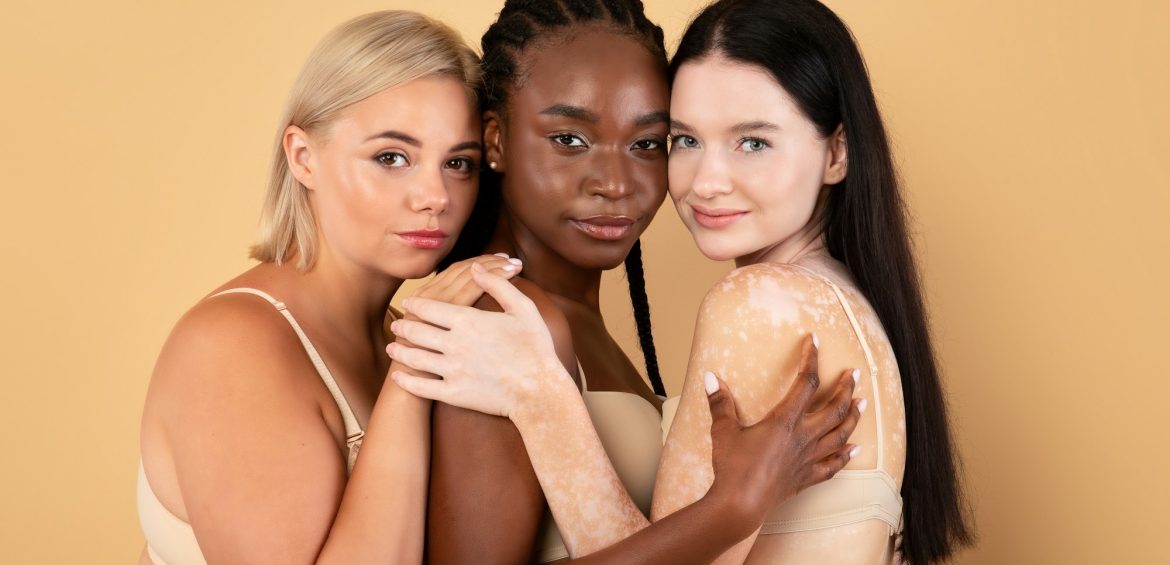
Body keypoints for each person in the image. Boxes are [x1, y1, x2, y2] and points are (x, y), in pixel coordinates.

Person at [389, 0, 972, 563]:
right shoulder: (499, 320)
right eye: (687, 141)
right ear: (495, 139)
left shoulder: (760, 304)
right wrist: (735, 506)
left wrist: (547, 405)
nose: (708, 180)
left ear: (837, 153)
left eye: (753, 142)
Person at [135, 11, 520, 564]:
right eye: (392, 157)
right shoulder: (233, 345)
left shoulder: (403, 328)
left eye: (458, 162)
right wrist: (410, 376)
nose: (435, 194)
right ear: (303, 156)